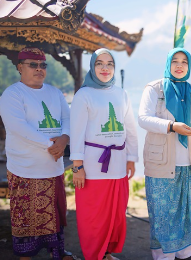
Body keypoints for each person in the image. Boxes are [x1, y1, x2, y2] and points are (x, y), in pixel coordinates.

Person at [0, 47, 74, 260]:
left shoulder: (55, 92)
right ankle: (26, 256)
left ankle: (57, 251)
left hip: (53, 167)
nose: (39, 69)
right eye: (33, 65)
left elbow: (67, 119)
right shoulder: (13, 94)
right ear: (20, 67)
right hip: (24, 169)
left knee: (55, 215)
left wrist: (65, 138)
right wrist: (53, 145)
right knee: (25, 219)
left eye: (42, 65)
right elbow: (18, 127)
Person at [70, 48, 138, 260]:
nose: (105, 68)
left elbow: (131, 128)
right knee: (93, 216)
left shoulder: (121, 93)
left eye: (110, 64)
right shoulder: (84, 95)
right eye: (100, 63)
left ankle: (106, 253)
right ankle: (93, 255)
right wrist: (78, 166)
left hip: (118, 164)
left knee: (115, 214)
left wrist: (131, 158)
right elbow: (76, 133)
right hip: (92, 166)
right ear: (92, 67)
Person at [138, 47, 191, 260]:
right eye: (175, 61)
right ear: (168, 64)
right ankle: (163, 257)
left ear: (189, 66)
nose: (179, 65)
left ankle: (185, 254)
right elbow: (143, 118)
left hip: (189, 163)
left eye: (184, 62)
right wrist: (171, 125)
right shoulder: (155, 89)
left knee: (186, 211)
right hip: (161, 164)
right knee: (162, 214)